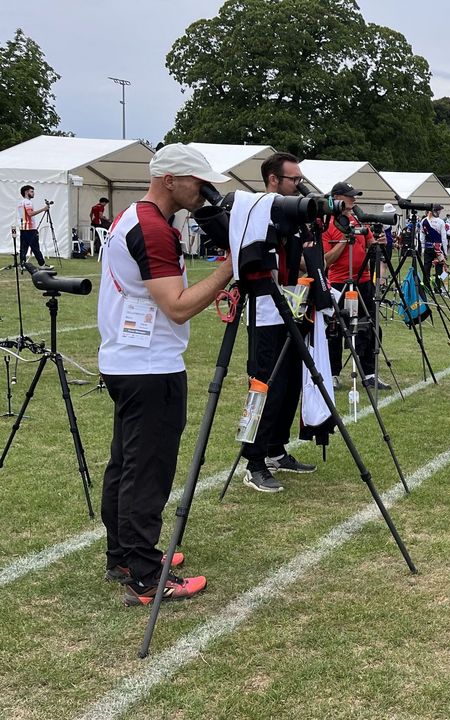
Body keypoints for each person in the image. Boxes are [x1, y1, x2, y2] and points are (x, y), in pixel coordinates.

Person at [97, 143, 234, 605]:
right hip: (149, 365)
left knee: (127, 462)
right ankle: (143, 572)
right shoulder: (154, 228)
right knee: (147, 468)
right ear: (171, 179)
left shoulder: (135, 215)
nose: (205, 192)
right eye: (198, 182)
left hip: (128, 360)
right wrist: (231, 270)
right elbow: (176, 307)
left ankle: (122, 553)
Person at [241, 152, 318, 493]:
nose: (299, 185)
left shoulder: (291, 215)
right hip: (263, 310)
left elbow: (296, 260)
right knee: (264, 385)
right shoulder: (258, 213)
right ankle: (253, 460)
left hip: (291, 305)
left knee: (290, 384)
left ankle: (275, 448)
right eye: (294, 180)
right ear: (274, 179)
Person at [322, 182, 388, 391]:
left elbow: (369, 243)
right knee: (335, 328)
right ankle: (332, 373)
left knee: (367, 326)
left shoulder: (357, 219)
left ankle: (368, 374)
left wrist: (379, 241)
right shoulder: (327, 223)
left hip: (363, 280)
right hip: (339, 282)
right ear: (337, 198)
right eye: (350, 196)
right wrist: (344, 240)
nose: (354, 200)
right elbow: (326, 260)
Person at [15, 185, 53, 269]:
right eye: (31, 191)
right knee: (35, 247)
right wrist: (43, 209)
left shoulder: (20, 202)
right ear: (26, 192)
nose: (33, 193)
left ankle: (22, 264)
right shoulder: (28, 202)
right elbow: (30, 214)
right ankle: (42, 264)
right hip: (30, 228)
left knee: (23, 248)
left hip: (23, 228)